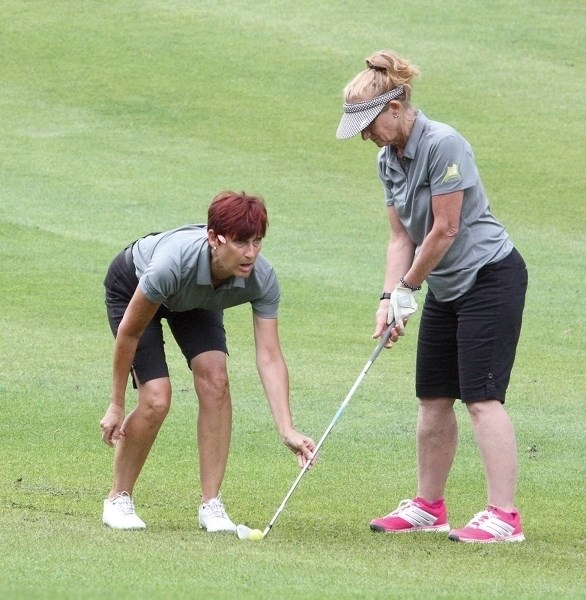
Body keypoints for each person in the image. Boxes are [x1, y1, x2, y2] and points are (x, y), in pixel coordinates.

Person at [336, 51, 528, 543]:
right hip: (442, 282)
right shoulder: (388, 159)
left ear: (396, 107)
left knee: (482, 397)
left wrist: (408, 288)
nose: (366, 134)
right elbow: (401, 239)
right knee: (433, 397)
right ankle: (429, 506)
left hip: (489, 277)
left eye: (370, 122)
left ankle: (504, 516)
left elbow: (445, 230)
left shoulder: (444, 144)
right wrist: (387, 298)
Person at [100, 191, 316, 532]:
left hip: (195, 299)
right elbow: (128, 334)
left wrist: (286, 428)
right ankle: (117, 498)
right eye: (241, 242)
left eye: (257, 241)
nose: (251, 253)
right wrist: (116, 403)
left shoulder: (261, 278)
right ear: (215, 239)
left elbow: (270, 356)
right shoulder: (170, 264)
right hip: (134, 286)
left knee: (216, 380)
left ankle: (211, 505)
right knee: (156, 397)